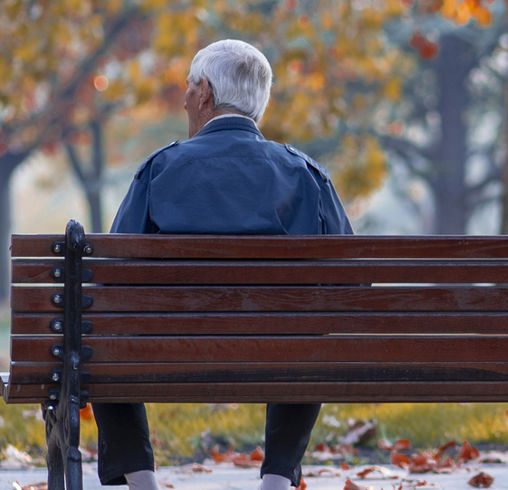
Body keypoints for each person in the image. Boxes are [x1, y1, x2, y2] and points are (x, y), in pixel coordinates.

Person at [94, 39, 353, 490]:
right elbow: (353, 285)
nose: (184, 98)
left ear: (207, 94)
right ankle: (276, 479)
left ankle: (143, 481)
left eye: (190, 87)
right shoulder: (304, 174)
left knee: (93, 337)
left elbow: (110, 279)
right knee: (310, 334)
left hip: (168, 353)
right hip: (281, 354)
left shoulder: (160, 169)